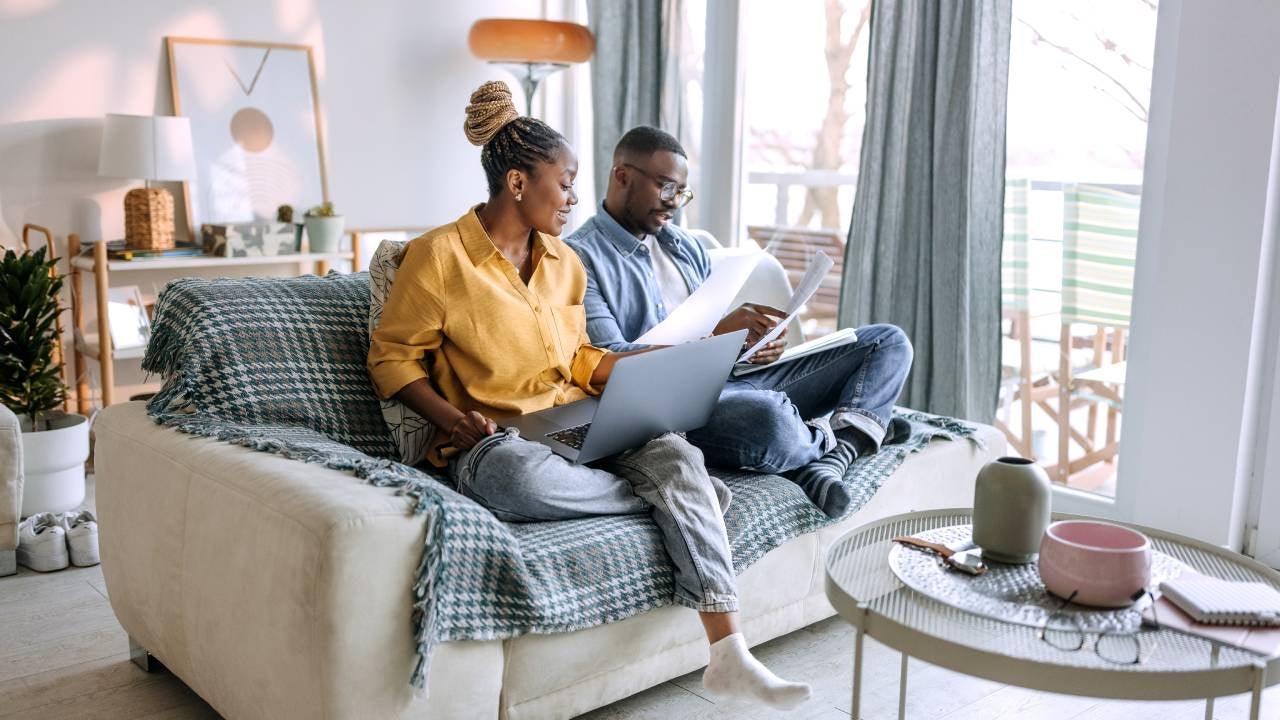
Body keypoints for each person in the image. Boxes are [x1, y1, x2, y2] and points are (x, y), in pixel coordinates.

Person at [367, 82, 810, 710]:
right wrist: (453, 420)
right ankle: (678, 503)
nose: (576, 198)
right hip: (498, 440)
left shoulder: (563, 263)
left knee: (677, 454)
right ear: (518, 183)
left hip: (581, 415)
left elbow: (576, 357)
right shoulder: (438, 257)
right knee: (517, 482)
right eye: (566, 182)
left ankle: (728, 652)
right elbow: (391, 359)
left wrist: (638, 369)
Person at [565, 126, 913, 519]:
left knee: (887, 342)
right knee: (768, 418)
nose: (674, 204)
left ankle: (830, 456)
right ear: (622, 176)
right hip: (671, 409)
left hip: (733, 382)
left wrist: (750, 346)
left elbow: (716, 343)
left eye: (682, 192)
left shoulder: (686, 247)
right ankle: (855, 433)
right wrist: (715, 337)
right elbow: (608, 363)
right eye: (666, 188)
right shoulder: (578, 259)